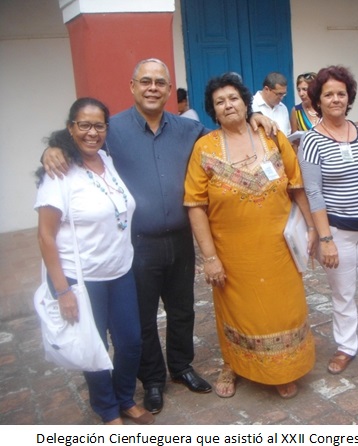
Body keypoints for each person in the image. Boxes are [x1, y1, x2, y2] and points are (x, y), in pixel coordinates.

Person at [41, 58, 275, 415]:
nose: (152, 88)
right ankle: (151, 379)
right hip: (137, 244)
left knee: (182, 310)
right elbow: (77, 139)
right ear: (133, 86)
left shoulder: (189, 129)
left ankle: (181, 366)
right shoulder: (111, 130)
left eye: (160, 83)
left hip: (180, 239)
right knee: (143, 317)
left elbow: (227, 128)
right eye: (145, 81)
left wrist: (256, 116)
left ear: (169, 90)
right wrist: (52, 148)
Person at [184, 73, 316, 399]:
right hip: (233, 255)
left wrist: (313, 229)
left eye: (233, 98)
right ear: (213, 111)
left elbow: (297, 184)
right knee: (238, 312)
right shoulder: (204, 148)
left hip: (279, 250)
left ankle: (282, 368)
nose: (227, 105)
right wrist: (210, 258)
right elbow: (195, 205)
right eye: (219, 102)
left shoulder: (271, 136)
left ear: (246, 103)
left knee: (282, 308)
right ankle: (233, 363)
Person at [35, 98, 153, 425]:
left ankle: (125, 397)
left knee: (130, 342)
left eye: (99, 125)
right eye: (84, 125)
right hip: (82, 278)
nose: (92, 132)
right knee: (95, 347)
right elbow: (45, 236)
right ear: (70, 128)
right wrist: (63, 291)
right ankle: (108, 408)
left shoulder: (106, 159)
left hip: (120, 271)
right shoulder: (58, 173)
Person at [300, 66, 358, 381]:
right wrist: (325, 239)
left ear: (349, 97)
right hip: (337, 231)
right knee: (342, 294)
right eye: (329, 94)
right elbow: (313, 192)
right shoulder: (312, 140)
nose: (336, 99)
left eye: (341, 93)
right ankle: (346, 346)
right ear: (318, 100)